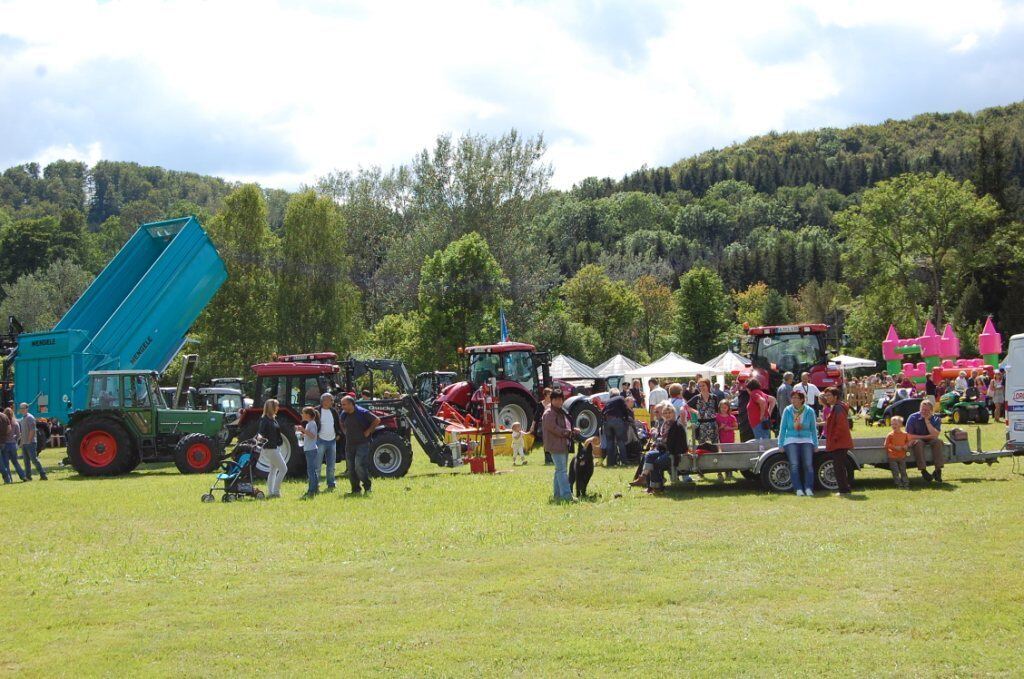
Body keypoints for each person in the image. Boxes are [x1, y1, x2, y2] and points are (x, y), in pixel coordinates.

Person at [631, 400, 687, 493]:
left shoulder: (677, 425)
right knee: (649, 455)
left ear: (673, 413)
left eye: (670, 412)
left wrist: (658, 439)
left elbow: (679, 443)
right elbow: (661, 439)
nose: (667, 415)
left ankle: (656, 487)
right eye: (665, 413)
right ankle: (644, 477)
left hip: (673, 452)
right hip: (663, 450)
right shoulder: (664, 424)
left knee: (656, 463)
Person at [778, 390, 818, 496]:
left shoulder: (810, 411)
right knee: (794, 464)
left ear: (801, 400)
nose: (793, 400)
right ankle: (798, 489)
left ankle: (808, 488)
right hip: (791, 440)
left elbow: (813, 429)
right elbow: (783, 428)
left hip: (806, 440)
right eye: (792, 398)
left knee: (808, 464)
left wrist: (816, 444)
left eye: (796, 398)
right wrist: (780, 444)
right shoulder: (788, 410)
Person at [339, 395, 381, 495]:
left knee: (359, 466)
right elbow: (341, 422)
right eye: (342, 404)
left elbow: (377, 420)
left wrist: (368, 431)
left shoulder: (362, 412)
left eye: (344, 404)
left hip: (363, 443)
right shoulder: (344, 414)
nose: (342, 407)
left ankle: (367, 487)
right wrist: (344, 431)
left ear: (351, 404)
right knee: (351, 468)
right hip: (349, 445)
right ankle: (355, 490)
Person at [542, 389, 578, 501]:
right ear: (551, 400)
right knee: (562, 471)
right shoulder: (549, 413)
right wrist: (568, 432)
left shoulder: (561, 411)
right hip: (555, 445)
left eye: (560, 399)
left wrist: (572, 430)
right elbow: (553, 428)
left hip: (563, 444)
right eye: (556, 399)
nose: (558, 401)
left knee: (559, 470)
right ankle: (567, 496)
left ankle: (557, 496)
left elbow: (565, 426)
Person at [821, 387, 853, 496]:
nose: (826, 397)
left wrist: (834, 438)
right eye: (826, 395)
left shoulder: (838, 408)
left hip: (839, 443)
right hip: (839, 442)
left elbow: (841, 426)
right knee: (839, 466)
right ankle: (844, 489)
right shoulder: (836, 407)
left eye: (829, 395)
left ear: (835, 397)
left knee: (838, 467)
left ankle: (844, 490)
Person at [906, 400, 944, 483]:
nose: (924, 412)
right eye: (922, 409)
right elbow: (908, 436)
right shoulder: (912, 417)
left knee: (937, 441)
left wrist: (927, 421)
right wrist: (926, 436)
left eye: (926, 410)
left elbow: (935, 435)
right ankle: (923, 470)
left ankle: (938, 470)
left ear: (931, 411)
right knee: (918, 443)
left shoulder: (936, 419)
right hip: (917, 441)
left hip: (931, 440)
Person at [257, 399, 287, 498]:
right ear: (272, 407)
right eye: (277, 406)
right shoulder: (265, 420)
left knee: (273, 470)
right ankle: (276, 492)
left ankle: (270, 492)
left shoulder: (273, 419)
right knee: (283, 469)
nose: (278, 408)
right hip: (270, 448)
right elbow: (260, 433)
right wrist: (260, 437)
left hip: (275, 447)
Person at [317, 393, 342, 492]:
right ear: (323, 401)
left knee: (331, 465)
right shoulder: (316, 411)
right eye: (329, 400)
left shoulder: (334, 411)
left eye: (332, 400)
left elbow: (337, 424)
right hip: (320, 441)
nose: (331, 402)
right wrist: (316, 435)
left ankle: (331, 483)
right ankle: (316, 483)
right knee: (317, 465)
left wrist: (338, 434)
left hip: (332, 441)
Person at [602, 388, 630, 467]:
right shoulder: (620, 398)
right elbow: (625, 409)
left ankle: (610, 463)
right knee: (620, 441)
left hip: (607, 421)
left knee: (610, 442)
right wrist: (626, 419)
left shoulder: (608, 401)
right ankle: (624, 461)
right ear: (618, 393)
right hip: (617, 420)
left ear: (610, 394)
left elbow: (602, 412)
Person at [18, 403, 46, 481]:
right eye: (20, 408)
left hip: (31, 443)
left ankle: (43, 475)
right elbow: (23, 432)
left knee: (34, 460)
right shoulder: (23, 418)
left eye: (23, 408)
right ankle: (28, 477)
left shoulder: (30, 417)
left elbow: (32, 430)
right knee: (26, 461)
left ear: (27, 408)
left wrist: (29, 441)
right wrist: (21, 443)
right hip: (24, 443)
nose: (21, 409)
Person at [297, 407, 320, 497]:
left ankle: (311, 490)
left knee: (311, 471)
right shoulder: (309, 424)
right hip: (309, 449)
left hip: (311, 450)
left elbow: (313, 435)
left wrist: (303, 430)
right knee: (312, 470)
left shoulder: (311, 423)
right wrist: (303, 434)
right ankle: (315, 488)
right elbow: (309, 435)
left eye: (303, 413)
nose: (302, 415)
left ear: (307, 415)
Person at [885, 416, 911, 490]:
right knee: (895, 471)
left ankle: (906, 484)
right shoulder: (890, 435)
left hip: (902, 456)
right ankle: (898, 484)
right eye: (892, 424)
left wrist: (906, 445)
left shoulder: (905, 434)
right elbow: (886, 445)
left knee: (903, 471)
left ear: (900, 424)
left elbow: (908, 441)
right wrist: (894, 447)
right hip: (892, 457)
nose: (893, 426)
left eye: (895, 424)